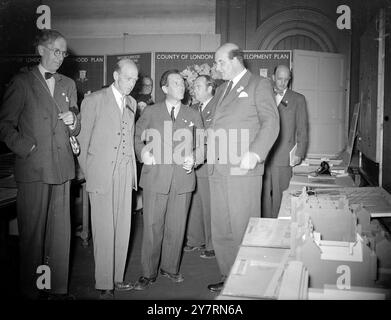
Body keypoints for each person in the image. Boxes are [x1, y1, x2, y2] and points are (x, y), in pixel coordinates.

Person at [0, 29, 79, 299]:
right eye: (56, 50)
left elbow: (75, 123)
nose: (61, 56)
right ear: (41, 50)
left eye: (63, 52)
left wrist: (74, 121)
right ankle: (32, 291)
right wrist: (27, 147)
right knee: (33, 237)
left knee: (60, 236)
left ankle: (57, 289)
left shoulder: (69, 83)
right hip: (34, 168)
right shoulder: (22, 82)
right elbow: (5, 125)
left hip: (63, 168)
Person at [206, 43, 279, 292]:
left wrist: (256, 153)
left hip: (243, 168)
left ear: (236, 60)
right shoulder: (221, 90)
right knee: (223, 229)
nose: (216, 67)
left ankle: (249, 283)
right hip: (218, 169)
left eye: (220, 62)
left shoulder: (259, 84)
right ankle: (230, 277)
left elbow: (271, 122)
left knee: (244, 228)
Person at [134, 69, 203, 290]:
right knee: (153, 227)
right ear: (164, 88)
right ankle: (148, 271)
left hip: (182, 179)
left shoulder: (193, 114)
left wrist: (195, 158)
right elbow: (137, 137)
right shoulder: (151, 112)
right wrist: (143, 152)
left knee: (177, 226)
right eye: (176, 83)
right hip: (155, 178)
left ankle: (170, 268)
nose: (181, 86)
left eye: (182, 83)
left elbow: (203, 144)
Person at [77, 58, 138, 299]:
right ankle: (104, 283)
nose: (131, 83)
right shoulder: (94, 100)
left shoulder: (132, 102)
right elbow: (81, 143)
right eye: (127, 78)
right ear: (115, 76)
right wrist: (92, 174)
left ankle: (117, 277)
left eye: (134, 79)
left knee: (123, 227)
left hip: (125, 172)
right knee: (103, 230)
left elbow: (129, 138)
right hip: (101, 173)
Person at [262, 65, 309, 218]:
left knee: (281, 196)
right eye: (280, 79)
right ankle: (265, 225)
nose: (283, 83)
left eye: (286, 80)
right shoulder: (263, 95)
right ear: (273, 77)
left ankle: (280, 225)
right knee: (262, 196)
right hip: (262, 154)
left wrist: (299, 153)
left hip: (283, 155)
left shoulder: (298, 99)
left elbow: (302, 128)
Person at [184, 75, 217, 259]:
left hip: (208, 164)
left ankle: (212, 244)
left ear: (210, 88)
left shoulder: (218, 108)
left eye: (198, 86)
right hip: (192, 163)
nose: (193, 89)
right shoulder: (193, 109)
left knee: (210, 207)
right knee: (194, 204)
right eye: (193, 86)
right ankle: (195, 239)